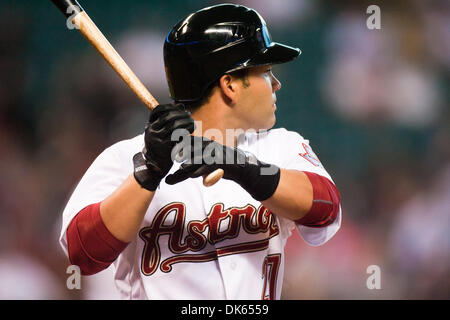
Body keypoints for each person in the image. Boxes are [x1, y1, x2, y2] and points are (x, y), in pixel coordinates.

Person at [60, 4, 342, 300]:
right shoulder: (125, 158)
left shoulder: (280, 146)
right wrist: (148, 172)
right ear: (230, 84)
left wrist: (239, 165)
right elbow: (83, 253)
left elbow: (326, 209)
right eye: (266, 71)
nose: (276, 84)